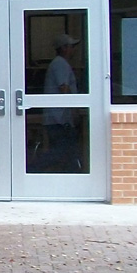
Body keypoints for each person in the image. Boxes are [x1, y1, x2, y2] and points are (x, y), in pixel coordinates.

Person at [42, 32, 80, 171]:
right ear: (64, 48)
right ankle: (33, 170)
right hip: (59, 118)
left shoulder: (59, 63)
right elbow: (64, 88)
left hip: (58, 117)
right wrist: (75, 108)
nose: (73, 50)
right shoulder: (60, 64)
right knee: (60, 150)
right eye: (71, 46)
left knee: (64, 151)